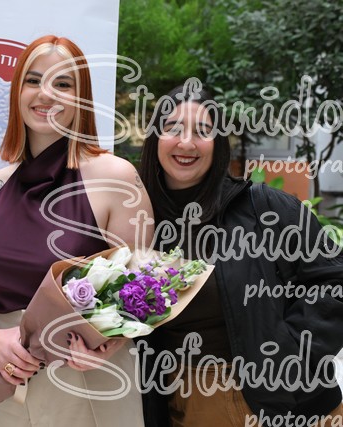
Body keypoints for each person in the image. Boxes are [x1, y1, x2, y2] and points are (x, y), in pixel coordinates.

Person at [0, 35, 154, 426]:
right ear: (17, 93)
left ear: (81, 98)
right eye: (33, 81)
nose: (45, 94)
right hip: (7, 378)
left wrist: (111, 342)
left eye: (62, 84)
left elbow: (145, 285)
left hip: (88, 378)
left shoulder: (117, 178)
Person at [138, 81, 343, 427]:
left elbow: (333, 280)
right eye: (173, 128)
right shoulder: (139, 220)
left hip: (296, 405)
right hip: (193, 398)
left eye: (202, 131)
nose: (186, 142)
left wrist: (290, 358)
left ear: (218, 143)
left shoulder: (265, 207)